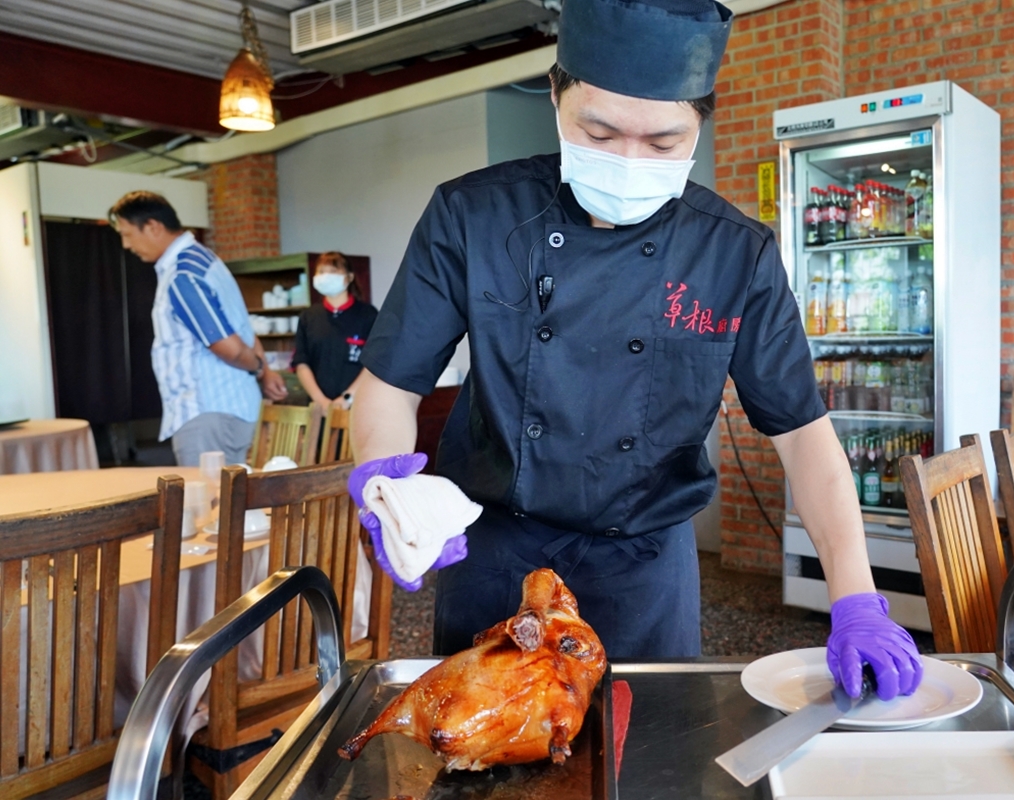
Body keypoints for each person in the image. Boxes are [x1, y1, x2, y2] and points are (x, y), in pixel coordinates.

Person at [349, 0, 922, 701]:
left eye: (662, 144)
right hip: (496, 555)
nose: (628, 162)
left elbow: (803, 434)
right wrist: (383, 479)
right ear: (557, 94)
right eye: (599, 130)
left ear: (700, 124)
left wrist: (856, 598)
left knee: (654, 756)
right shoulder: (473, 217)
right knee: (482, 761)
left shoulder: (733, 254)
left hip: (644, 572)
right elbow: (390, 385)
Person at [110, 191, 288, 466]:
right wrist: (263, 372)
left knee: (209, 505)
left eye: (128, 234)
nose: (126, 244)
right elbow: (243, 329)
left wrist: (260, 369)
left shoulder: (184, 275)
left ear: (153, 227)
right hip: (227, 409)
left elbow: (227, 346)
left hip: (208, 412)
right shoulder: (206, 261)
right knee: (233, 502)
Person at [292, 251, 378, 412]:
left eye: (333, 272)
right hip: (317, 409)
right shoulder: (308, 317)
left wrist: (347, 398)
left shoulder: (368, 315)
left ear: (349, 277)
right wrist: (321, 401)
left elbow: (374, 363)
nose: (326, 277)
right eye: (321, 272)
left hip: (357, 407)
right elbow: (301, 363)